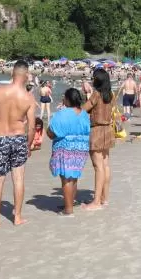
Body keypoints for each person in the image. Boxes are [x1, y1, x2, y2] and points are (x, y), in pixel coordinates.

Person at [0, 60, 37, 227]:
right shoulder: (28, 97)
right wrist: (28, 146)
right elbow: (32, 127)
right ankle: (18, 217)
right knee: (19, 178)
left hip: (0, 138)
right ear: (26, 76)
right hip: (19, 138)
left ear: (12, 74)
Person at [48, 88, 91, 216]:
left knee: (66, 179)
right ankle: (70, 203)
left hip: (65, 147)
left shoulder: (62, 113)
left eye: (64, 97)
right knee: (74, 176)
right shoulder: (83, 113)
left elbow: (51, 132)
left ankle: (68, 210)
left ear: (67, 99)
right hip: (81, 148)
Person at [83, 68, 114, 210]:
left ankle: (96, 201)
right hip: (108, 129)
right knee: (105, 165)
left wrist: (85, 95)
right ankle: (105, 198)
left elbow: (84, 109)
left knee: (98, 167)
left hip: (96, 130)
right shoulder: (110, 94)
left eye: (93, 77)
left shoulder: (96, 94)